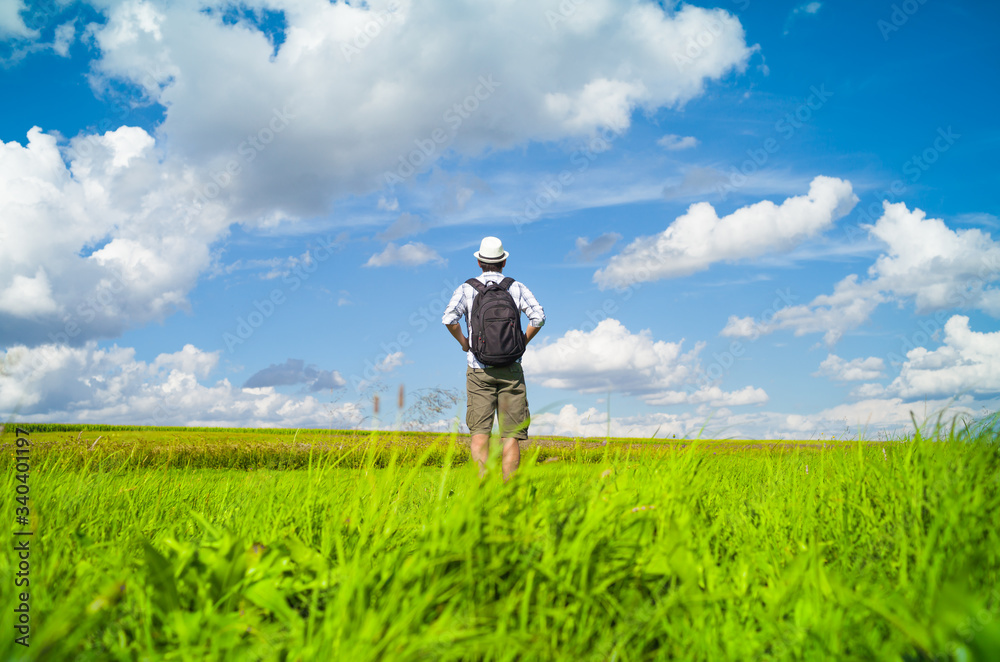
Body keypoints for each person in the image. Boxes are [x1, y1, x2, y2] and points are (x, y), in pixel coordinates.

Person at [442, 236, 545, 480]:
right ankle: (509, 495)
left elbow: (449, 319)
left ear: (479, 262)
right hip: (511, 370)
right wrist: (522, 342)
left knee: (480, 434)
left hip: (478, 370)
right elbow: (538, 317)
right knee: (510, 435)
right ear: (504, 262)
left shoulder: (467, 288)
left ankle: (482, 495)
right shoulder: (516, 287)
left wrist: (464, 343)